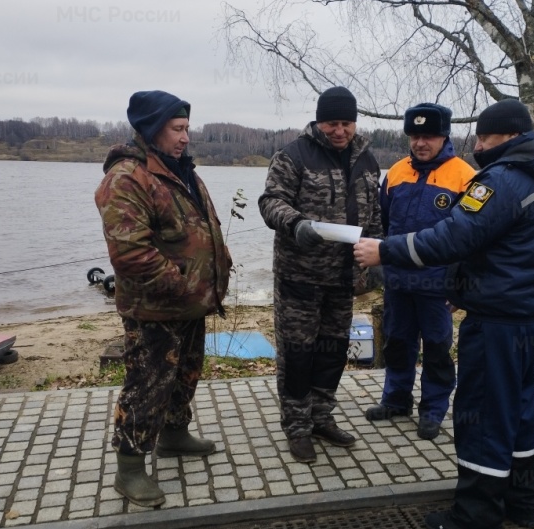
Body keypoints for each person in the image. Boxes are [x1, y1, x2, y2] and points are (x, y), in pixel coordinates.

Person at [353, 98, 534, 529]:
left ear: (510, 137)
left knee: (480, 413)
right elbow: (500, 245)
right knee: (519, 412)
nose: (478, 145)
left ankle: (476, 516)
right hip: (525, 312)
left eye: (485, 137)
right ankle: (520, 501)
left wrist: (385, 250)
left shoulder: (502, 180)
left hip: (495, 319)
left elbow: (455, 236)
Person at [95, 90, 231, 507]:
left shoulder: (181, 170)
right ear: (152, 130)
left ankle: (173, 434)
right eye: (177, 128)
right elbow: (131, 253)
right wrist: (185, 284)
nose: (185, 137)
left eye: (187, 128)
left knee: (186, 373)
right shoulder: (127, 177)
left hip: (191, 303)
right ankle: (130, 468)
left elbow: (201, 226)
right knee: (147, 384)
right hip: (155, 309)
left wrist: (216, 268)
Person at [259, 86, 383, 464]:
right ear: (319, 120)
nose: (340, 130)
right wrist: (296, 224)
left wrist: (376, 258)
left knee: (331, 353)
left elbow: (375, 216)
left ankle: (322, 417)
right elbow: (270, 202)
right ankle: (297, 428)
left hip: (344, 280)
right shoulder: (293, 155)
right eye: (332, 123)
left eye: (346, 123)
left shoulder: (368, 161)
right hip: (300, 278)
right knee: (298, 355)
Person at [364, 103, 475, 440]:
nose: (420, 143)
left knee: (438, 350)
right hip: (398, 282)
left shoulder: (464, 176)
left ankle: (433, 411)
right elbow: (382, 224)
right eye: (414, 136)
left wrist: (459, 286)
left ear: (444, 136)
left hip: (437, 286)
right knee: (397, 344)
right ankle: (396, 401)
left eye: (428, 136)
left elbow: (472, 239)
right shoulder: (396, 172)